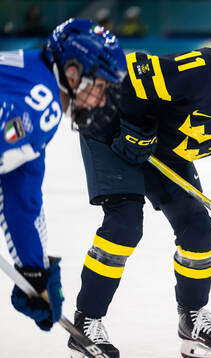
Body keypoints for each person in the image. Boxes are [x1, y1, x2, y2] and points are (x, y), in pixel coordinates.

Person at [69, 4, 211, 358]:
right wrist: (133, 123)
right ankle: (86, 324)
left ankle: (191, 319)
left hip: (163, 148)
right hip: (109, 129)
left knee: (199, 232)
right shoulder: (204, 69)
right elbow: (130, 71)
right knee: (124, 225)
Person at [0, 18, 126, 333]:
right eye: (100, 87)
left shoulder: (35, 80)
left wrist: (35, 271)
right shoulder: (42, 105)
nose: (101, 100)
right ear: (72, 73)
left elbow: (21, 194)